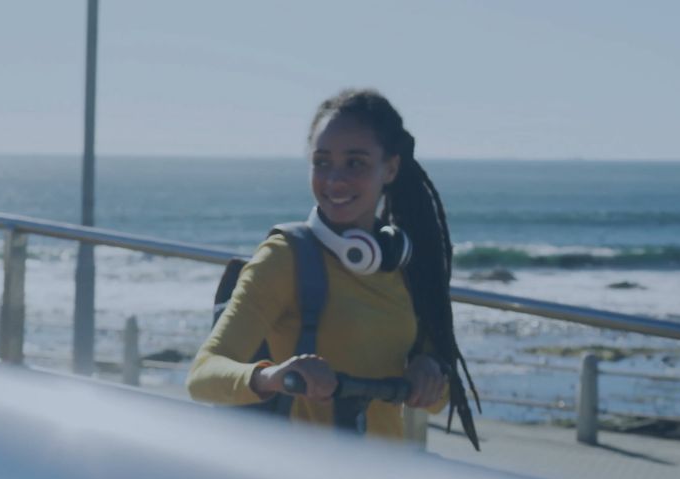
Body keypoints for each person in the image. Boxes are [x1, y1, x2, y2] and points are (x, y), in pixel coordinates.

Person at [187, 88, 480, 449]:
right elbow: (203, 375)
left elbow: (438, 401)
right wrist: (273, 376)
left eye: (355, 163)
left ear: (390, 168)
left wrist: (430, 374)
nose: (334, 180)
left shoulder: (405, 266)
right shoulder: (285, 257)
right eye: (322, 162)